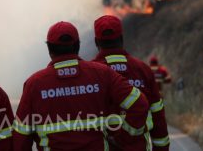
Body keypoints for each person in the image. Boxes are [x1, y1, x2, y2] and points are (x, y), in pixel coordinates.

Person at [13, 21, 149, 151]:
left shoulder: (35, 83)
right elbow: (139, 104)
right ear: (77, 46)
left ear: (49, 49)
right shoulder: (102, 73)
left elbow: (21, 138)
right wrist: (123, 137)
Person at [92, 15, 170, 151]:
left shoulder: (90, 73)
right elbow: (158, 117)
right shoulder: (143, 70)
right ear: (122, 38)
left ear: (96, 42)